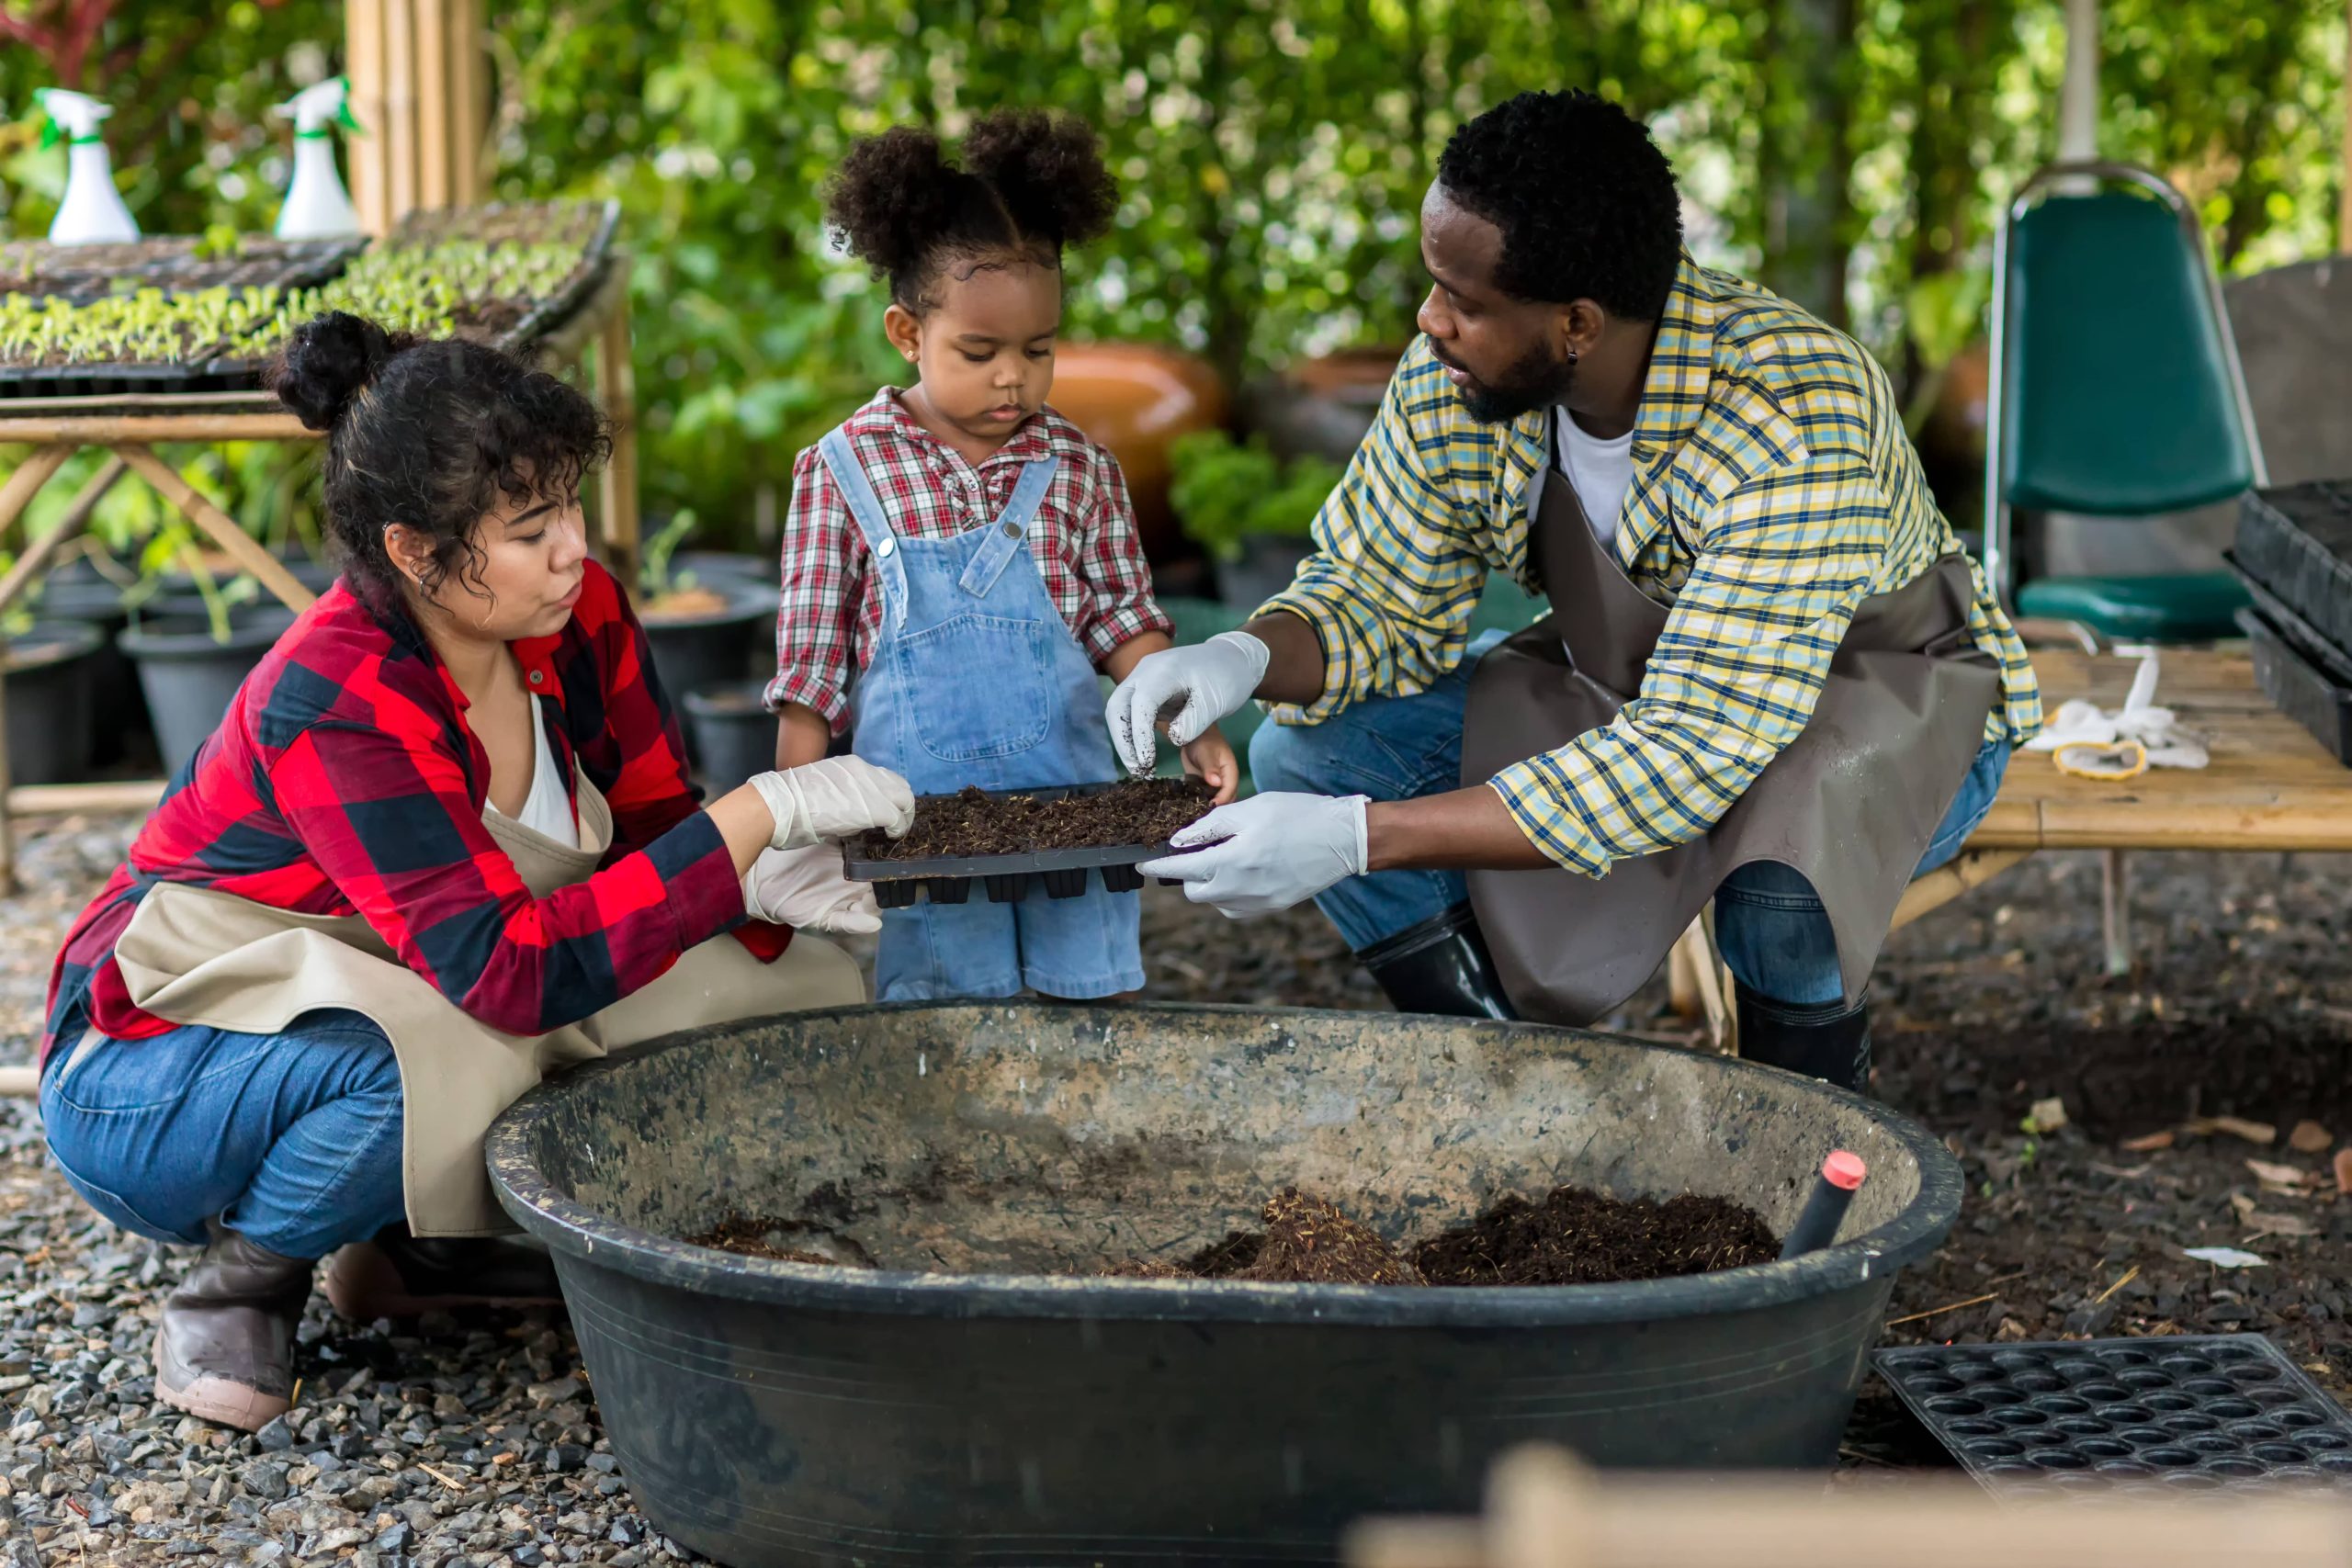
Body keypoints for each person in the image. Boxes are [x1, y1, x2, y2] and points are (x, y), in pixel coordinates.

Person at [38, 313, 918, 1432]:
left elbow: (652, 828)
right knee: (442, 1051)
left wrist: (759, 880)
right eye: (529, 527)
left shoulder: (576, 611)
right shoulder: (338, 694)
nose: (572, 552)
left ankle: (413, 1252)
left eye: (571, 508)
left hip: (428, 974)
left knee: (794, 987)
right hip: (161, 1060)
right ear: (413, 550)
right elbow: (507, 977)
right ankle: (247, 1275)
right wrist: (757, 811)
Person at [1114, 90, 2041, 1092]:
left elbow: (1691, 751)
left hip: (1878, 694)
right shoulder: (1460, 381)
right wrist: (1241, 656)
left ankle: (1804, 1153)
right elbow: (1373, 596)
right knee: (1311, 752)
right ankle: (1517, 1091)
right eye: (1434, 287)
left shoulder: (1790, 417)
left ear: (1577, 324)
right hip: (1638, 681)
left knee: (1784, 885)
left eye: (1463, 301)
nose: (1429, 324)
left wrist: (1355, 840)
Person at [766, 109, 1237, 1003]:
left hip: (1075, 817)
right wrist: (796, 801)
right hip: (922, 829)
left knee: (1083, 998)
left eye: (1039, 349)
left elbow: (1123, 618)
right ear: (907, 333)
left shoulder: (1080, 467)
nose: (1012, 378)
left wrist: (1191, 717)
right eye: (978, 353)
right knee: (953, 1005)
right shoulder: (842, 469)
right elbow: (812, 654)